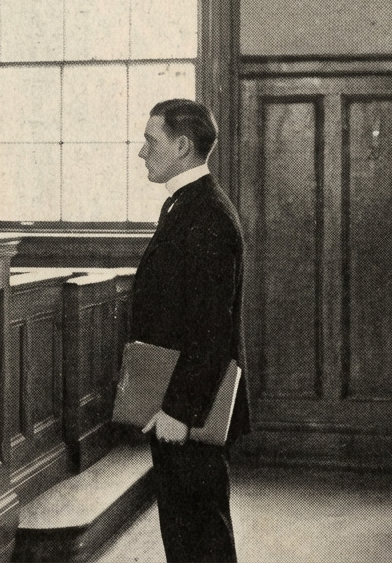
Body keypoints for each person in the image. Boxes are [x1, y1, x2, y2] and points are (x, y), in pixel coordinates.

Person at [133, 98, 249, 562]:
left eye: (150, 140)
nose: (142, 152)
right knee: (187, 532)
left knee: (201, 535)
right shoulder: (186, 205)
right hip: (180, 400)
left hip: (190, 408)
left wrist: (179, 410)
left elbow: (210, 328)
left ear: (182, 146)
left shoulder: (205, 215)